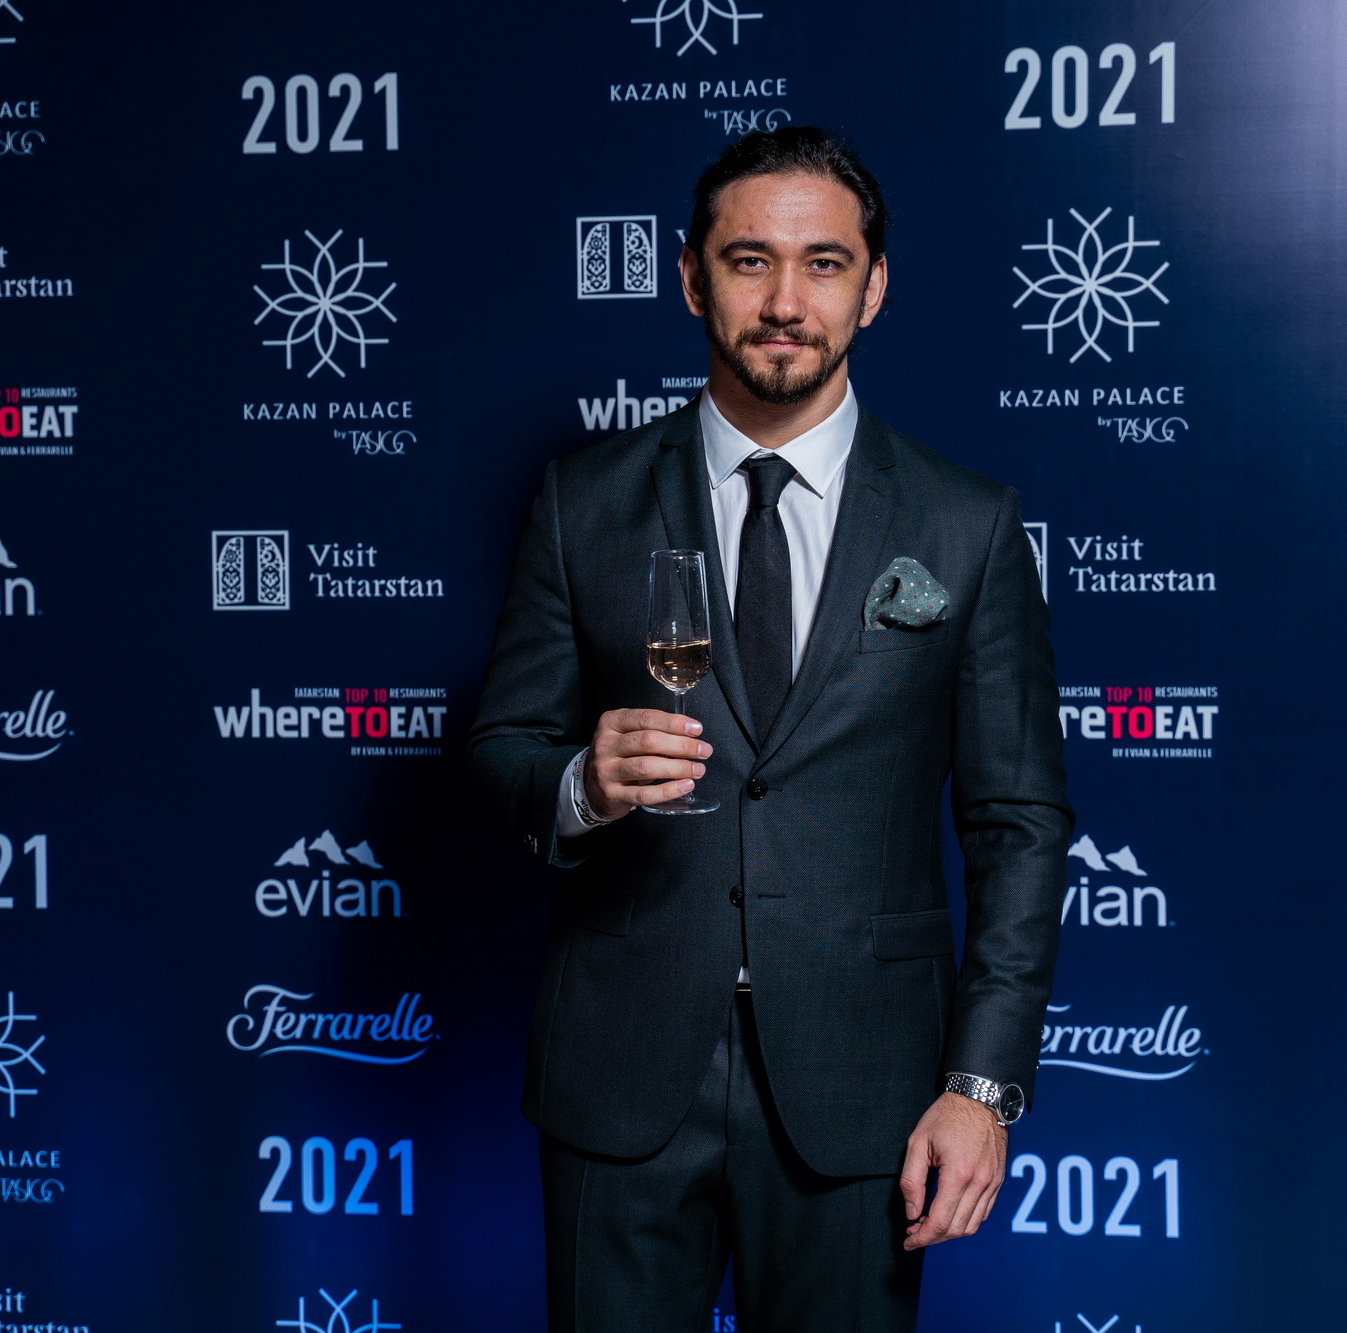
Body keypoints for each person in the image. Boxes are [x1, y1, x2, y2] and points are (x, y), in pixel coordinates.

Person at [466, 126, 1071, 1333]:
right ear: (692, 279)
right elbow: (498, 753)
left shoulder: (964, 524)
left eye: (823, 263)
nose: (785, 301)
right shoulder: (581, 502)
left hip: (863, 1086)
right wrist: (580, 782)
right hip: (620, 1077)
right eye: (749, 261)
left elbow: (1018, 823)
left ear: (873, 286)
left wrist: (980, 1085)